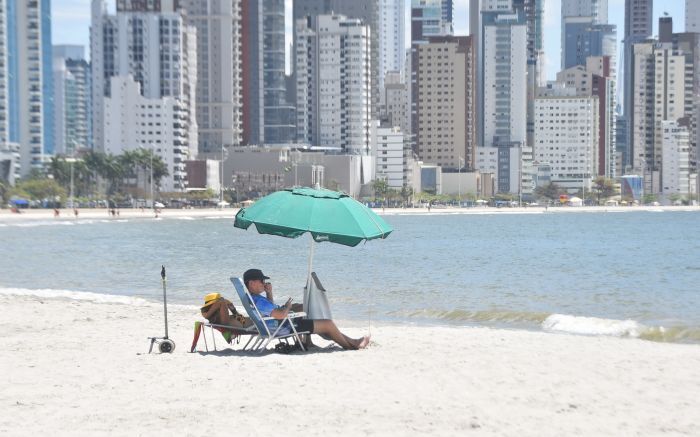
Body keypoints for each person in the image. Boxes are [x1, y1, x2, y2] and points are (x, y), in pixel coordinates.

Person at [243, 269, 369, 350]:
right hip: (285, 326)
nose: (264, 283)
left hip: (276, 325)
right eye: (261, 280)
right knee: (328, 324)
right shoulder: (258, 301)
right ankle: (350, 346)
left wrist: (269, 293)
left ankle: (349, 341)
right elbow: (280, 315)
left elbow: (269, 312)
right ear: (251, 283)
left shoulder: (254, 298)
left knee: (304, 307)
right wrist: (287, 307)